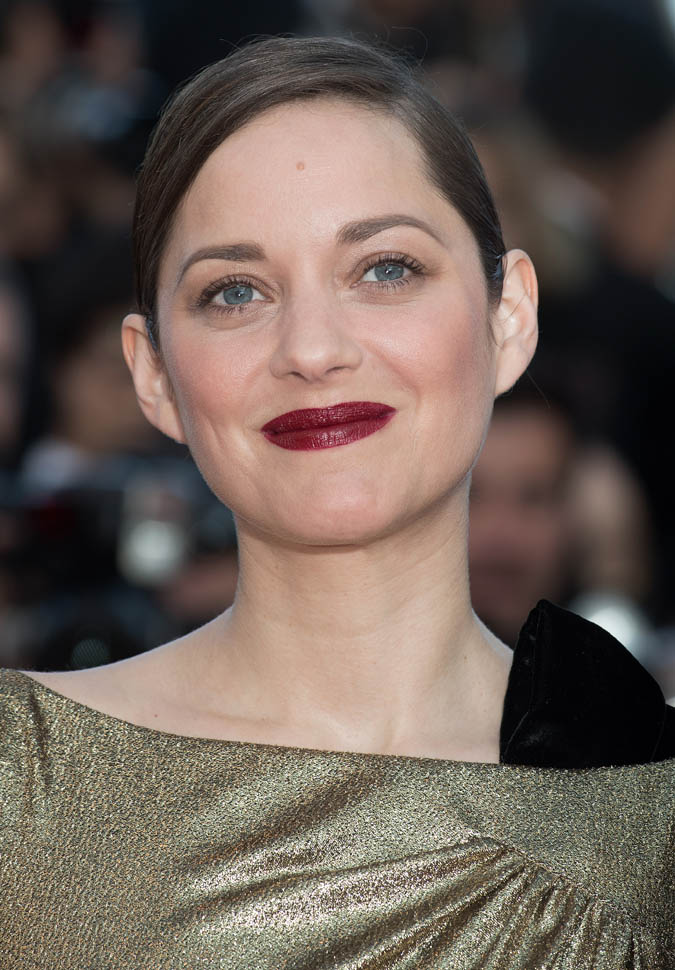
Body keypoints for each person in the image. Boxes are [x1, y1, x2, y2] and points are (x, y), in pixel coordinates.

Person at [0, 36, 673, 969]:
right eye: (235, 292)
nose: (312, 349)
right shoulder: (23, 783)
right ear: (153, 374)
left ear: (507, 317)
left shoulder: (645, 799)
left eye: (385, 269)